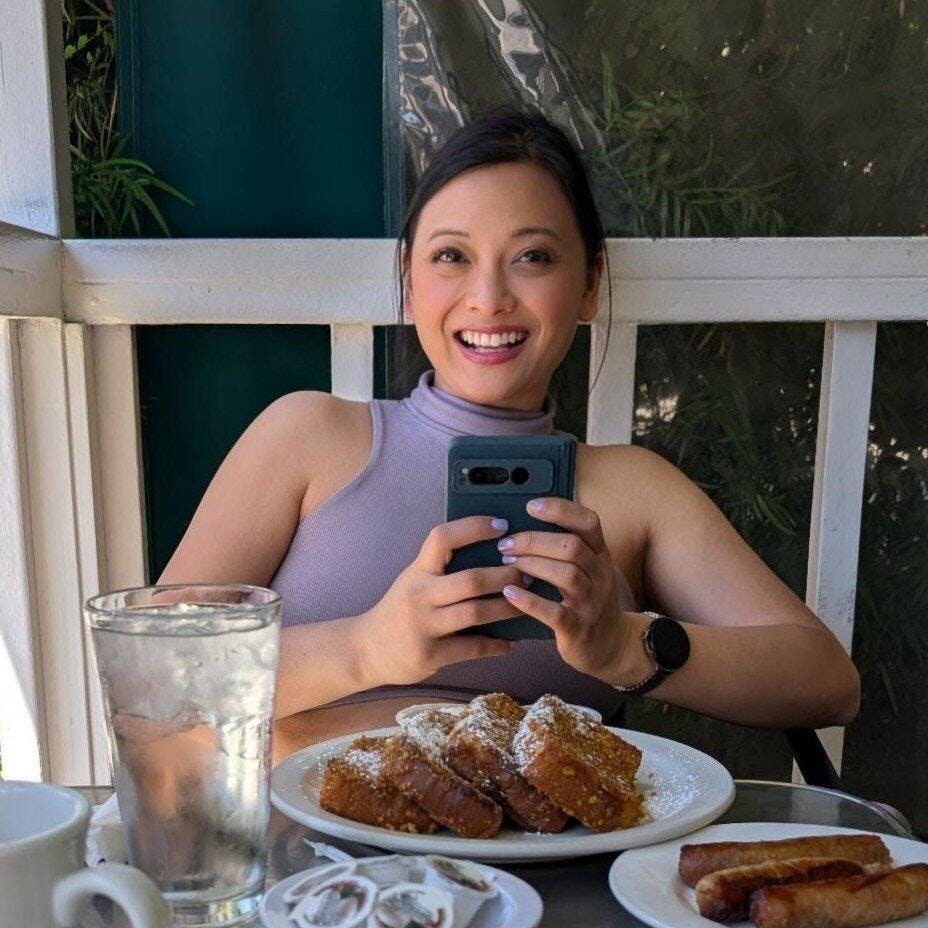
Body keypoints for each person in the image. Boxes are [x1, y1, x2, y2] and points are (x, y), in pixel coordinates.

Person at [159, 110, 859, 756]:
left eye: (533, 257)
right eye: (451, 256)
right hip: (299, 849)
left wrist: (624, 646)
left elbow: (827, 681)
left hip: (549, 854)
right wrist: (367, 649)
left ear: (588, 284)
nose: (488, 298)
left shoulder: (635, 490)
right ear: (409, 281)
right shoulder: (307, 436)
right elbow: (155, 672)